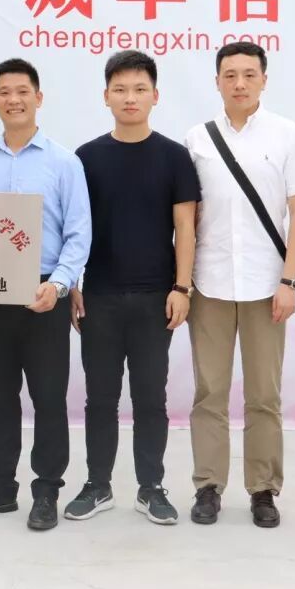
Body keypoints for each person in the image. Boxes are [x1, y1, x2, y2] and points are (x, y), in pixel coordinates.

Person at [0, 58, 91, 531]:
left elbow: (79, 233)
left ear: (39, 98)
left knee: (49, 398)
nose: (14, 99)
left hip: (44, 294)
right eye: (5, 92)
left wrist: (59, 285)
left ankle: (47, 490)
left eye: (23, 91)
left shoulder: (64, 162)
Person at [184, 41, 295, 528]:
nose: (239, 83)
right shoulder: (197, 138)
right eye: (230, 75)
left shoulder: (287, 134)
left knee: (264, 393)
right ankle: (208, 485)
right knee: (209, 391)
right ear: (217, 81)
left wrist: (290, 280)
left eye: (248, 74)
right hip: (210, 283)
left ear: (264, 79)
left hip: (267, 284)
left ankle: (263, 488)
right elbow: (187, 216)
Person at [64, 50, 200, 524]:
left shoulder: (174, 157)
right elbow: (72, 227)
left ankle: (151, 487)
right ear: (106, 96)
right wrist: (73, 284)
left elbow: (186, 227)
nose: (130, 97)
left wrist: (182, 287)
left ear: (155, 96)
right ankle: (97, 485)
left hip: (155, 297)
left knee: (150, 399)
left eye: (140, 89)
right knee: (99, 398)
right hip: (98, 296)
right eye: (120, 89)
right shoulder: (85, 158)